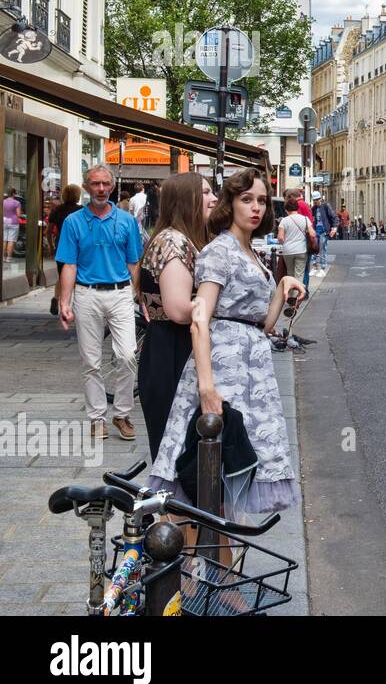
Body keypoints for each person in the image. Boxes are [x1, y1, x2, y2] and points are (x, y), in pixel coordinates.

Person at [147, 167, 305, 513]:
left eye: (262, 201)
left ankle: (217, 565)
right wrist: (206, 387)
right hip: (225, 366)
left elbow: (261, 323)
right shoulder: (221, 250)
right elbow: (199, 318)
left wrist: (282, 287)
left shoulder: (251, 252)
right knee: (209, 484)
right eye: (246, 199)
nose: (256, 208)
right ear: (229, 204)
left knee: (231, 476)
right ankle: (198, 562)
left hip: (251, 367)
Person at [55, 165, 143, 441]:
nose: (101, 189)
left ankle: (121, 413)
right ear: (86, 187)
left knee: (128, 355)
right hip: (86, 294)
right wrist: (64, 302)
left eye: (106, 184)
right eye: (95, 184)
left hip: (120, 294)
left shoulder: (127, 221)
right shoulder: (74, 223)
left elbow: (134, 263)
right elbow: (68, 264)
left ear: (113, 186)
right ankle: (97, 418)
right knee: (90, 360)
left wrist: (138, 297)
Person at [137, 173, 215, 461]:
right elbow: (179, 310)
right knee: (178, 454)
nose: (214, 198)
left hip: (173, 349)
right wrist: (223, 306)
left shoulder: (184, 239)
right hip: (172, 352)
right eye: (205, 192)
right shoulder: (173, 241)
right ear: (187, 200)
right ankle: (175, 508)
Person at [47, 184, 83, 315]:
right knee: (77, 278)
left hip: (61, 248)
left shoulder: (57, 210)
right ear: (77, 195)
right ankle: (70, 305)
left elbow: (48, 231)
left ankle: (57, 298)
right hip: (78, 249)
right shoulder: (82, 211)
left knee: (62, 275)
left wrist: (51, 246)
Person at [277, 189, 316, 293]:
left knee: (290, 274)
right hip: (301, 250)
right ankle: (297, 298)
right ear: (297, 208)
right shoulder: (305, 219)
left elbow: (280, 238)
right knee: (299, 274)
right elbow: (312, 234)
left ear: (286, 209)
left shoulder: (284, 221)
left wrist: (284, 241)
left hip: (288, 251)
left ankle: (289, 295)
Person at [311, 192, 339, 273]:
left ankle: (323, 267)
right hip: (316, 230)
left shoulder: (326, 206)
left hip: (324, 231)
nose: (315, 201)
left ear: (320, 199)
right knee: (314, 248)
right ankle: (315, 265)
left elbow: (334, 217)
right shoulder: (314, 208)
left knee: (323, 248)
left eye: (316, 199)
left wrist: (334, 228)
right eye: (314, 200)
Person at [3, 186, 23, 262]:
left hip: (4, 221)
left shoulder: (3, 201)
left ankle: (2, 257)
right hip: (13, 222)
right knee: (11, 240)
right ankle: (9, 258)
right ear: (14, 194)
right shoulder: (17, 203)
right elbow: (18, 215)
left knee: (4, 239)